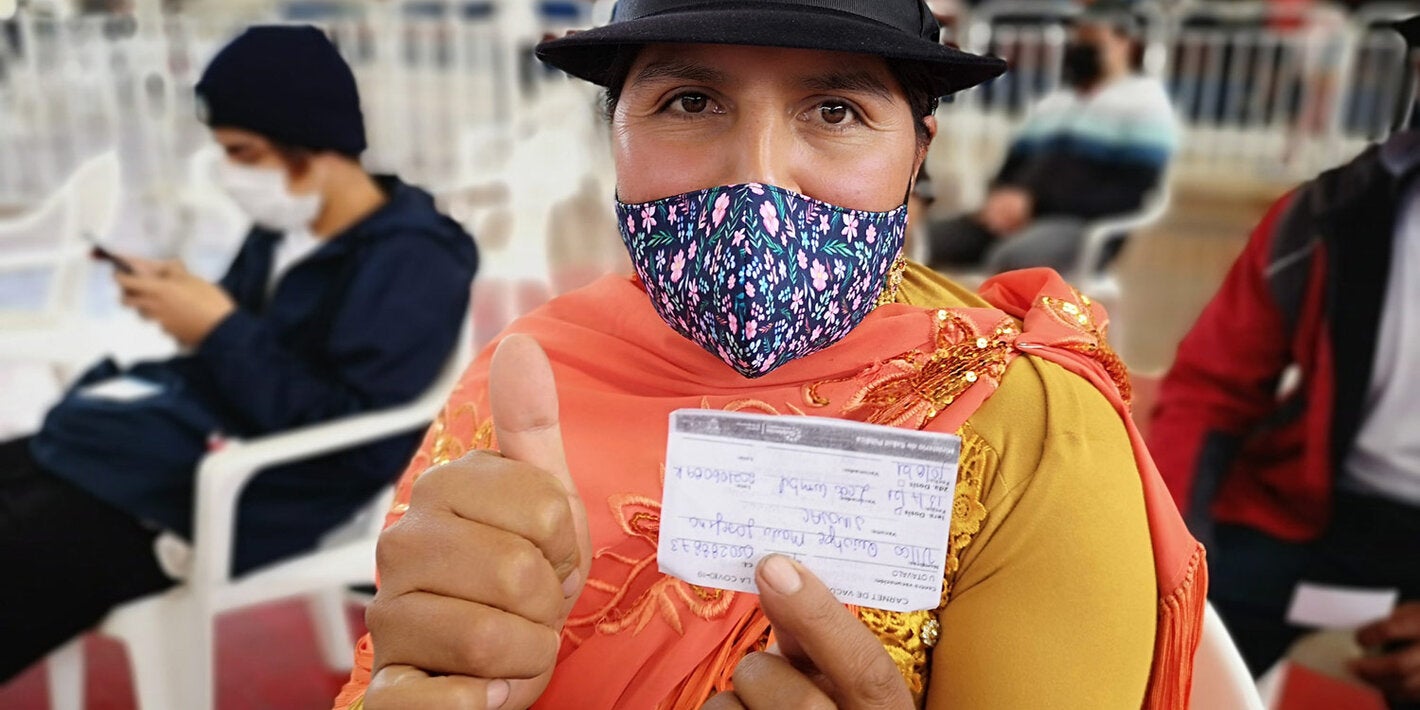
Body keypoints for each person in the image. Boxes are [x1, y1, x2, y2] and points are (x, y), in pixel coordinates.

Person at [335, 2, 1204, 708]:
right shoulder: (530, 380)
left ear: (917, 155)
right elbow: (394, 673)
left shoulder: (1028, 421)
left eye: (835, 111)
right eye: (691, 102)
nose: (758, 179)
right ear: (614, 136)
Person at [0, 25, 478, 682]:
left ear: (314, 147)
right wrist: (191, 306)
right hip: (170, 447)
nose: (230, 173)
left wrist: (218, 327)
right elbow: (231, 348)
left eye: (242, 152)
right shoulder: (286, 229)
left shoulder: (415, 259)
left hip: (250, 491)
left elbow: (350, 437)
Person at [1149, 16, 1420, 708]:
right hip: (1310, 508)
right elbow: (1209, 388)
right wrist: (1171, 557)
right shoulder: (1332, 214)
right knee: (1149, 653)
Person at [926, 1, 1179, 275]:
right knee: (921, 240)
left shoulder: (1146, 104)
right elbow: (1011, 167)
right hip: (1016, 216)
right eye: (1078, 40)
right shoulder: (1054, 103)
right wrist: (1004, 199)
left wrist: (1036, 205)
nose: (1080, 49)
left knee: (1015, 259)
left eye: (1092, 41)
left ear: (1124, 44)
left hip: (1082, 225)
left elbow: (1131, 192)